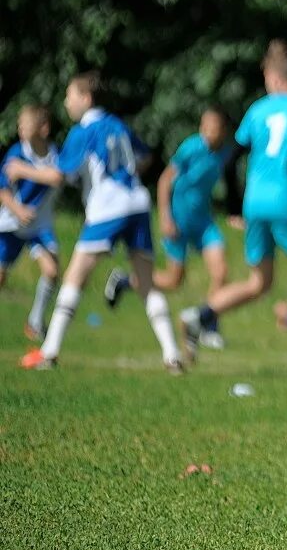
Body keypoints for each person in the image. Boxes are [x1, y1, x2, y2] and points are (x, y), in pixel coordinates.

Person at [179, 41, 287, 382]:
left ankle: (200, 316)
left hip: (254, 202)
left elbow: (230, 161)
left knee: (259, 281)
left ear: (274, 77)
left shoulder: (258, 110)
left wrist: (233, 205)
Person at [17, 72, 186, 373]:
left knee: (74, 277)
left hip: (109, 207)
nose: (66, 102)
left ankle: (50, 351)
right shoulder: (118, 125)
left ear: (86, 98)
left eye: (70, 95)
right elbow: (144, 158)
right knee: (146, 283)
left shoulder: (84, 130)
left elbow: (58, 175)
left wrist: (22, 169)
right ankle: (172, 355)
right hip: (137, 202)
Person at [103, 107, 239, 325]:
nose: (207, 132)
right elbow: (165, 180)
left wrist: (236, 212)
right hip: (178, 220)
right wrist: (166, 217)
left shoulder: (226, 152)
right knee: (174, 280)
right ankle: (126, 281)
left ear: (223, 130)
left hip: (204, 222)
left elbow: (232, 184)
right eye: (204, 126)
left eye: (212, 128)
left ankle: (207, 324)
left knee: (221, 271)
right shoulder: (191, 148)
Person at [0, 105, 62, 342]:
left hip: (39, 226)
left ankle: (35, 322)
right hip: (11, 225)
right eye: (20, 123)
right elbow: (3, 189)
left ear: (43, 128)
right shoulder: (17, 151)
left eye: (25, 123)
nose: (20, 127)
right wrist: (17, 209)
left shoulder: (54, 154)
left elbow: (56, 176)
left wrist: (25, 171)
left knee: (52, 271)